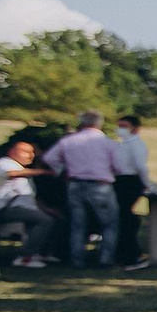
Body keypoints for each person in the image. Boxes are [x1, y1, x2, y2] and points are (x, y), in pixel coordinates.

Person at [43, 110, 123, 268]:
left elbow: (49, 158)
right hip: (100, 185)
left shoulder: (69, 141)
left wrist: (61, 169)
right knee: (109, 224)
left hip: (75, 183)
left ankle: (77, 259)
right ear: (99, 123)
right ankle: (105, 259)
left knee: (78, 224)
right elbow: (119, 167)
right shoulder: (108, 143)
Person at [0, 135, 61, 268]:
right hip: (4, 207)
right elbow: (10, 174)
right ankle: (25, 257)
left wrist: (47, 209)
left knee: (54, 217)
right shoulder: (4, 163)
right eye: (25, 152)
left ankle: (41, 252)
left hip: (22, 206)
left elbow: (30, 196)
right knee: (44, 221)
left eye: (32, 152)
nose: (30, 155)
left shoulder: (22, 170)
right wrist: (41, 172)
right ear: (12, 152)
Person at [110, 113, 153, 268]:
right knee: (123, 217)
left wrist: (146, 182)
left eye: (124, 126)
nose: (120, 129)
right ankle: (125, 253)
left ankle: (130, 254)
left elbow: (141, 166)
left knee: (126, 217)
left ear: (135, 128)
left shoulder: (136, 144)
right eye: (119, 126)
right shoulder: (121, 144)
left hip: (131, 180)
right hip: (120, 180)